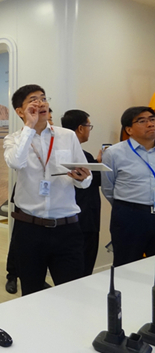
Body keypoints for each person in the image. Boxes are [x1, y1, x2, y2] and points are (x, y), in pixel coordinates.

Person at [4, 84, 91, 296]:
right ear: (20, 111)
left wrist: (82, 179)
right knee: (32, 293)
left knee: (71, 292)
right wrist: (30, 126)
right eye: (33, 100)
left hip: (67, 228)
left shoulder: (67, 136)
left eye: (43, 98)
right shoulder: (13, 139)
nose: (41, 103)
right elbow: (16, 162)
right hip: (30, 229)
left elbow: (86, 177)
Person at [102, 106, 155, 267]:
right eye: (142, 121)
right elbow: (108, 187)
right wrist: (126, 207)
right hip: (130, 216)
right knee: (126, 265)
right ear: (129, 129)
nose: (150, 124)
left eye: (152, 119)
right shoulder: (114, 153)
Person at [61, 109, 102, 276]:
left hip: (69, 220)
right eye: (88, 126)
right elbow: (94, 181)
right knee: (83, 268)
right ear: (80, 128)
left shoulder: (61, 154)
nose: (89, 130)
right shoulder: (83, 157)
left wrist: (96, 163)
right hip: (85, 220)